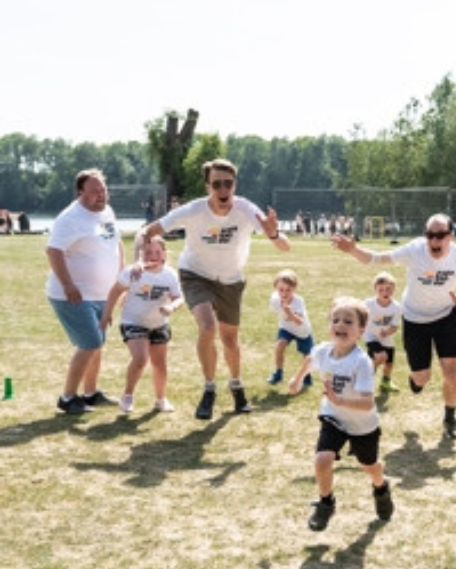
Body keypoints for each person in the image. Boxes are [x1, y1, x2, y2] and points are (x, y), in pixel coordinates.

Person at [135, 158, 290, 420]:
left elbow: (284, 246)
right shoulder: (193, 211)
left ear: (234, 185)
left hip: (231, 279)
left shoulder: (246, 209)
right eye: (216, 184)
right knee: (207, 327)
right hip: (196, 274)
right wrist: (139, 259)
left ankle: (237, 386)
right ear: (208, 187)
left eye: (228, 184)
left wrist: (274, 234)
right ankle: (209, 389)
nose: (222, 190)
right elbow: (146, 232)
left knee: (230, 339)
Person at [333, 213, 456, 439]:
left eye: (440, 236)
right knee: (422, 378)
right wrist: (353, 250)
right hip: (415, 319)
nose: (434, 241)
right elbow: (378, 259)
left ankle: (450, 418)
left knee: (451, 373)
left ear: (451, 236)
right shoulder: (414, 250)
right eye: (430, 235)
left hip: (446, 317)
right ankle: (416, 379)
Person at [297, 296, 394, 530]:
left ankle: (381, 488)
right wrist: (296, 379)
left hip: (363, 425)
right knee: (322, 459)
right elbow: (310, 360)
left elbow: (368, 402)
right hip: (333, 417)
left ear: (361, 331)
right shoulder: (323, 350)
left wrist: (339, 399)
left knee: (369, 465)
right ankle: (326, 503)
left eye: (348, 322)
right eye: (336, 320)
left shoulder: (361, 362)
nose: (340, 325)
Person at [46, 169, 125, 414]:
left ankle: (90, 393)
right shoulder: (70, 218)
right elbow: (53, 251)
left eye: (103, 190)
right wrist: (69, 284)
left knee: (97, 343)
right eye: (94, 192)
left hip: (102, 293)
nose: (100, 196)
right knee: (90, 342)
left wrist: (119, 280)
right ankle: (68, 398)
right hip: (73, 294)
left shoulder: (106, 212)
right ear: (80, 192)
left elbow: (114, 242)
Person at [100, 236, 184, 413]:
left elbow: (179, 298)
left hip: (159, 323)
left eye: (157, 252)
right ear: (140, 254)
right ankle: (128, 396)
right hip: (133, 321)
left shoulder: (170, 274)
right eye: (148, 252)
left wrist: (171, 307)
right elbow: (115, 292)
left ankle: (161, 399)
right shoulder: (133, 272)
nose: (153, 256)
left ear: (164, 254)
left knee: (160, 363)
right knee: (140, 359)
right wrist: (106, 315)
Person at [266, 269, 314, 390]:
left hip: (302, 330)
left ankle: (306, 376)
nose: (284, 293)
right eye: (281, 289)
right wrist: (284, 311)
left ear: (294, 289)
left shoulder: (298, 301)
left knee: (307, 355)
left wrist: (290, 313)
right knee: (280, 345)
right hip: (286, 328)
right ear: (276, 288)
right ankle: (278, 373)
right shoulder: (275, 299)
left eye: (288, 290)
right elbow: (276, 308)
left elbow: (299, 321)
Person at [364, 271, 404, 394]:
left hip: (387, 339)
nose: (385, 292)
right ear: (375, 290)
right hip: (371, 337)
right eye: (381, 289)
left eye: (388, 289)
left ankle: (385, 383)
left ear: (393, 289)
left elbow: (395, 326)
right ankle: (366, 381)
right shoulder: (368, 304)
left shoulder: (396, 307)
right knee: (380, 356)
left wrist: (388, 332)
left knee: (389, 363)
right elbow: (358, 314)